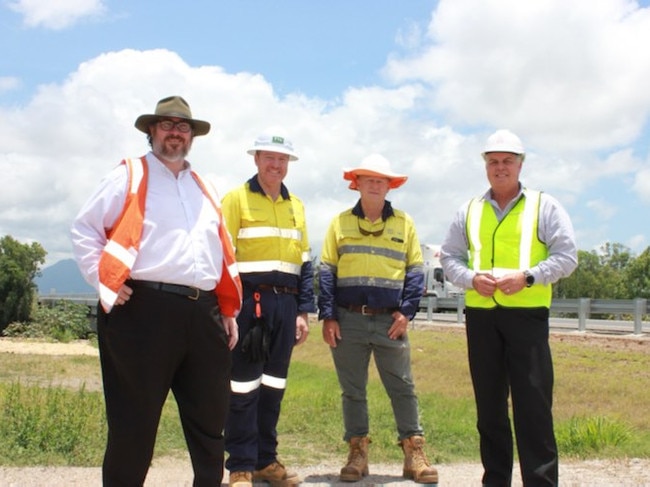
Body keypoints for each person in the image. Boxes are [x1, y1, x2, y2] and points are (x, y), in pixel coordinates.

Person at [71, 95, 243, 487]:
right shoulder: (129, 174)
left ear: (192, 135)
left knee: (211, 423)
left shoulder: (205, 186)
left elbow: (218, 251)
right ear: (152, 131)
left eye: (182, 126)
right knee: (134, 422)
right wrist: (104, 281)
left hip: (204, 313)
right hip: (143, 311)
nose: (175, 132)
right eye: (166, 125)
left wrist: (227, 311)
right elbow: (85, 229)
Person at [440, 129, 578, 486]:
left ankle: (541, 482)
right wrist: (471, 279)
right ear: (485, 166)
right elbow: (450, 258)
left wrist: (528, 277)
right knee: (489, 409)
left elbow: (567, 257)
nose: (500, 168)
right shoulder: (468, 210)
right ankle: (495, 480)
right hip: (482, 318)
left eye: (507, 161)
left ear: (520, 165)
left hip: (527, 318)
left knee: (533, 408)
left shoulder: (543, 206)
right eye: (493, 162)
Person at [318, 154, 439, 484]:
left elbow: (416, 270)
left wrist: (407, 312)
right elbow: (327, 270)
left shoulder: (404, 223)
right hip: (348, 319)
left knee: (402, 387)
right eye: (368, 178)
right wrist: (328, 316)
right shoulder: (339, 223)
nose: (374, 184)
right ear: (356, 183)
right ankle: (358, 453)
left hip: (391, 321)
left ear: (390, 185)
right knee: (353, 390)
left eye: (381, 179)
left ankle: (414, 451)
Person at [221, 130, 315, 487]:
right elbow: (223, 257)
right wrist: (228, 308)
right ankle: (241, 466)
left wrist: (304, 312)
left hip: (286, 303)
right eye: (269, 158)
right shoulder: (236, 199)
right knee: (243, 386)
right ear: (256, 159)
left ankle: (265, 460)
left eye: (282, 160)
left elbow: (305, 262)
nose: (276, 165)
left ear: (288, 164)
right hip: (249, 303)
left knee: (274, 385)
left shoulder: (297, 206)